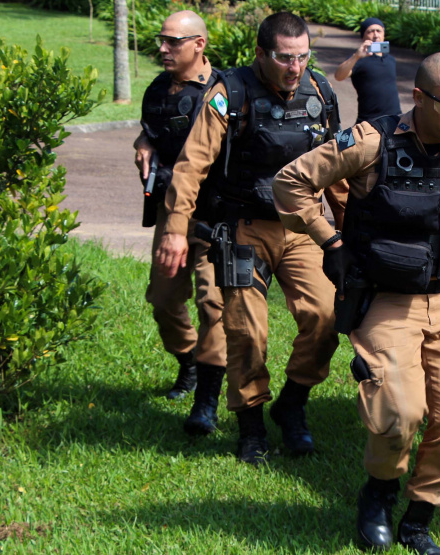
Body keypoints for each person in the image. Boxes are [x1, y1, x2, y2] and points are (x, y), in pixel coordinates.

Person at [274, 52, 440, 555]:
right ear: (418, 97)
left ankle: (419, 519)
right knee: (399, 413)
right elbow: (291, 182)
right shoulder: (372, 143)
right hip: (384, 301)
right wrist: (330, 241)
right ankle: (379, 494)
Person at [155, 12, 344, 465]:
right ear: (261, 53)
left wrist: (347, 230)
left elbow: (337, 167)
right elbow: (191, 166)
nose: (295, 67)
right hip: (243, 227)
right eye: (284, 58)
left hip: (302, 227)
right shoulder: (230, 93)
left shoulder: (321, 91)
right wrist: (177, 230)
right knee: (246, 332)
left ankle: (292, 404)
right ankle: (251, 425)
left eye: (302, 57)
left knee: (325, 318)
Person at [132, 11, 227, 418]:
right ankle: (188, 359)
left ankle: (208, 386)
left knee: (213, 303)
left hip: (214, 215)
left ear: (199, 44)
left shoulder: (223, 90)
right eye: (162, 40)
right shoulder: (158, 88)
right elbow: (154, 131)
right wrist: (143, 142)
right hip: (171, 211)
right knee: (164, 300)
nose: (163, 48)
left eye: (173, 41)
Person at [333, 17, 402, 123]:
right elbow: (338, 76)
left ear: (383, 34)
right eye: (371, 31)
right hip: (369, 121)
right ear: (363, 36)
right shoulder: (359, 59)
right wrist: (356, 56)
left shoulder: (391, 60)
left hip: (394, 118)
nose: (376, 35)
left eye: (379, 31)